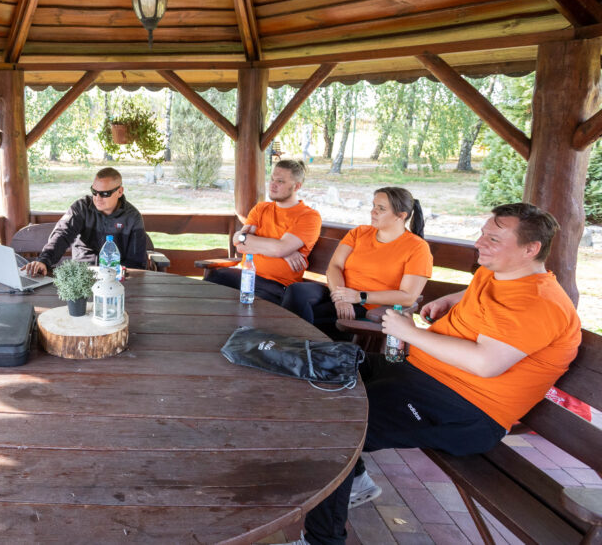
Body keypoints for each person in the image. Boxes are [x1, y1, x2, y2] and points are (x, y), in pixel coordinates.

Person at [276, 203, 581, 545]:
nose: (480, 243)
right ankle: (355, 477)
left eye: (493, 238)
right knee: (320, 366)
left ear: (531, 249)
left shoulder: (539, 302)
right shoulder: (499, 273)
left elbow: (486, 363)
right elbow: (483, 295)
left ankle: (322, 540)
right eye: (482, 233)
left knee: (335, 429)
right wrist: (451, 300)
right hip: (420, 376)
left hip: (465, 410)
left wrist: (410, 333)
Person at [281, 187, 432, 339]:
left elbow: (408, 297)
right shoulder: (360, 232)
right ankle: (293, 350)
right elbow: (335, 267)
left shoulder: (417, 247)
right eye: (373, 206)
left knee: (300, 317)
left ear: (400, 216)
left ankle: (291, 351)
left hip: (369, 307)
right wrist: (341, 298)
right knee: (296, 291)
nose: (373, 212)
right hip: (338, 292)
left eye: (381, 208)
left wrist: (360, 297)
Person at [206, 159, 321, 304]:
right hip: (245, 275)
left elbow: (278, 249)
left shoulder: (308, 216)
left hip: (275, 285)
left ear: (296, 186)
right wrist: (283, 251)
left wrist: (276, 248)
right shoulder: (261, 209)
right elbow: (240, 245)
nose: (272, 184)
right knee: (210, 285)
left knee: (249, 308)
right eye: (272, 178)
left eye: (280, 181)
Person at [23, 167, 147, 276]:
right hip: (82, 273)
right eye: (94, 192)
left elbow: (135, 263)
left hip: (116, 276)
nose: (97, 198)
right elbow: (62, 234)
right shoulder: (81, 208)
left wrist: (119, 277)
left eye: (104, 193)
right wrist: (44, 260)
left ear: (120, 192)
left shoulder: (132, 217)